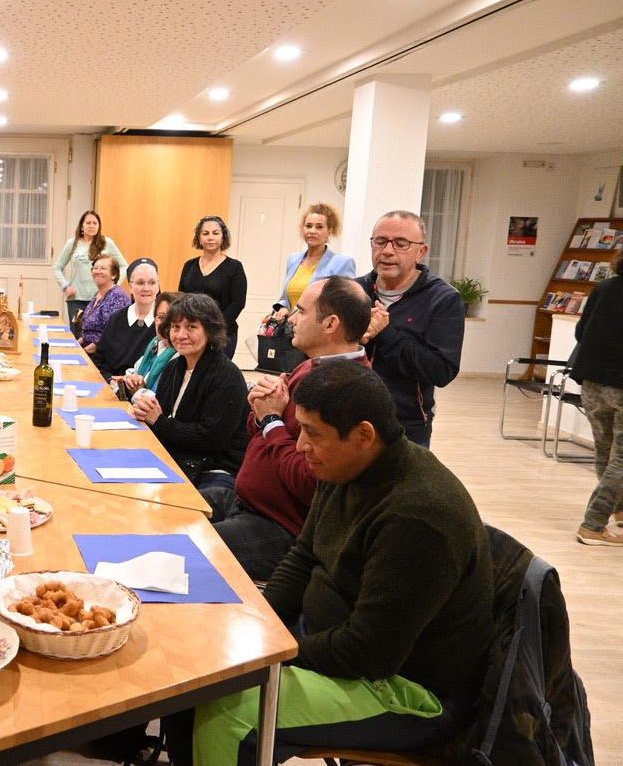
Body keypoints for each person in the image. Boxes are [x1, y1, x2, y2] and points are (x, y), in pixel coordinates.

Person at [191, 361, 494, 764]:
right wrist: (259, 624)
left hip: (407, 689)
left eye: (313, 434)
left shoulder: (417, 515)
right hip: (336, 645)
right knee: (196, 669)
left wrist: (272, 651)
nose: (301, 445)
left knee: (228, 711)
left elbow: (370, 653)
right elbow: (303, 557)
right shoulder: (345, 467)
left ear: (364, 435)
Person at [202, 277, 371, 581]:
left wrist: (270, 420)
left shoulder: (345, 387)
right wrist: (261, 410)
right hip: (248, 501)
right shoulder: (311, 365)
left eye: (301, 311)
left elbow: (310, 482)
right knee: (171, 510)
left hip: (280, 525)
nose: (291, 319)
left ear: (330, 324)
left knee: (189, 548)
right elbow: (262, 431)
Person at [356, 210, 465, 448]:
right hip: (348, 420)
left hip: (405, 427)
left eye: (400, 243)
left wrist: (386, 334)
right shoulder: (355, 291)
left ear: (421, 252)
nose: (387, 251)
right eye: (380, 241)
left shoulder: (442, 299)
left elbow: (441, 371)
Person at [130, 293, 249, 490]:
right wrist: (145, 412)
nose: (180, 335)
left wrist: (158, 421)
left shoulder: (227, 376)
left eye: (191, 327)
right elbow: (162, 417)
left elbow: (209, 439)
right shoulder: (173, 368)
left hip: (215, 468)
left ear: (210, 330)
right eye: (175, 327)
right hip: (181, 456)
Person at [570, 246, 623, 546]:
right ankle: (593, 524)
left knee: (606, 452)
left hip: (592, 382)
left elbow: (581, 332)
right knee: (621, 459)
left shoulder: (603, 288)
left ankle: (620, 511)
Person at [178, 215, 247, 360]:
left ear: (223, 238)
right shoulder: (189, 266)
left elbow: (238, 303)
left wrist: (212, 329)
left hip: (221, 333)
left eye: (215, 233)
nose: (210, 237)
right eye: (205, 233)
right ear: (199, 238)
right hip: (191, 333)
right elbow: (181, 298)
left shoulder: (234, 267)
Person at [53, 209, 128, 325]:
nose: (91, 226)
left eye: (95, 223)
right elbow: (57, 267)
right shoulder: (72, 243)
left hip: (101, 298)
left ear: (99, 226)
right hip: (76, 299)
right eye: (88, 223)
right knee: (77, 331)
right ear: (82, 226)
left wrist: (114, 285)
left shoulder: (107, 243)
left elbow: (124, 266)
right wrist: (65, 286)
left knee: (97, 332)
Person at [276, 202, 357, 309]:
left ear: (329, 231)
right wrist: (282, 308)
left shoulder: (342, 263)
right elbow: (285, 298)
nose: (312, 231)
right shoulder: (293, 259)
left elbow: (348, 303)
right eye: (308, 226)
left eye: (319, 227)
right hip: (290, 320)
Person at [94, 258, 162, 379]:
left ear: (158, 286)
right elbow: (100, 360)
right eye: (140, 283)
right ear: (130, 287)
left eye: (152, 282)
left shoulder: (164, 322)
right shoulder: (116, 319)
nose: (146, 288)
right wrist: (111, 380)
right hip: (112, 385)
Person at [112, 291, 179, 398]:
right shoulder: (156, 344)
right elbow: (134, 372)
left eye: (171, 319)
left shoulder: (180, 356)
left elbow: (161, 401)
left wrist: (138, 391)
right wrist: (130, 381)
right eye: (161, 317)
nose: (165, 324)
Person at [77, 254, 130, 353]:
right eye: (95, 268)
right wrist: (75, 346)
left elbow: (109, 335)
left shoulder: (117, 296)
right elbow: (88, 332)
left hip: (102, 354)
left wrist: (83, 352)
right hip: (87, 350)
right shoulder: (98, 294)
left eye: (103, 268)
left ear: (114, 275)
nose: (98, 271)